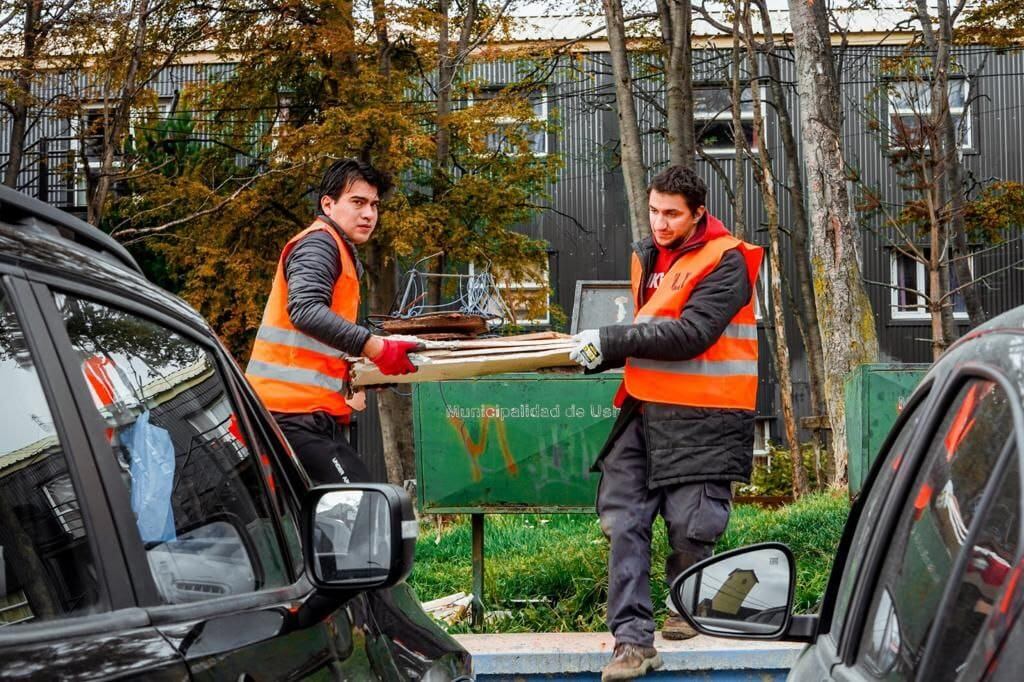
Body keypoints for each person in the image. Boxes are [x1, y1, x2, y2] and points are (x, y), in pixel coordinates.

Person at [569, 165, 763, 681]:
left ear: (699, 213)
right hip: (643, 406)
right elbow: (651, 330)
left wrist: (611, 341)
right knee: (623, 520)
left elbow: (693, 334)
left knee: (689, 525)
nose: (659, 222)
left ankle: (688, 606)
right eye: (654, 211)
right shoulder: (647, 257)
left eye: (672, 214)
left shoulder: (730, 260)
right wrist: (601, 354)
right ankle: (632, 642)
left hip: (706, 414)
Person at [246, 159, 421, 485]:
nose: (369, 214)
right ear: (328, 203)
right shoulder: (319, 244)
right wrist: (375, 347)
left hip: (297, 414)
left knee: (329, 520)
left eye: (374, 205)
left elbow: (315, 345)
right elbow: (305, 310)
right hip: (291, 414)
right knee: (364, 508)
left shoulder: (335, 248)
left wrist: (362, 373)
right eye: (358, 202)